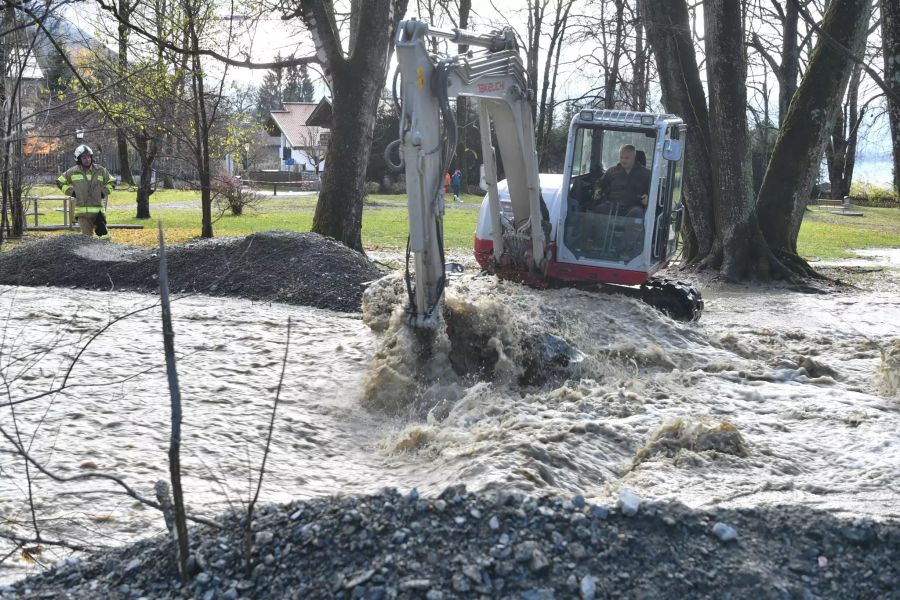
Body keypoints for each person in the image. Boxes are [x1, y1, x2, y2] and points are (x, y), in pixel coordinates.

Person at [593, 144, 651, 257]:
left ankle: (625, 250)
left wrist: (648, 197)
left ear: (634, 158)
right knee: (598, 210)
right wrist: (598, 190)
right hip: (612, 205)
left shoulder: (645, 174)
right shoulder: (612, 171)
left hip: (633, 206)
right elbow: (599, 184)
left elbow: (654, 190)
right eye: (621, 157)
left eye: (627, 158)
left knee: (637, 214)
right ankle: (599, 247)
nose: (623, 160)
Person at [57, 145, 114, 240]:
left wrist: (104, 192)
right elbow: (60, 181)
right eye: (84, 157)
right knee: (87, 239)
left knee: (104, 237)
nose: (87, 159)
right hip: (82, 214)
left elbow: (112, 181)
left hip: (98, 213)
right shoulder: (72, 172)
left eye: (88, 157)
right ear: (79, 159)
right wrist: (72, 192)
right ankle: (89, 255)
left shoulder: (100, 170)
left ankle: (107, 254)